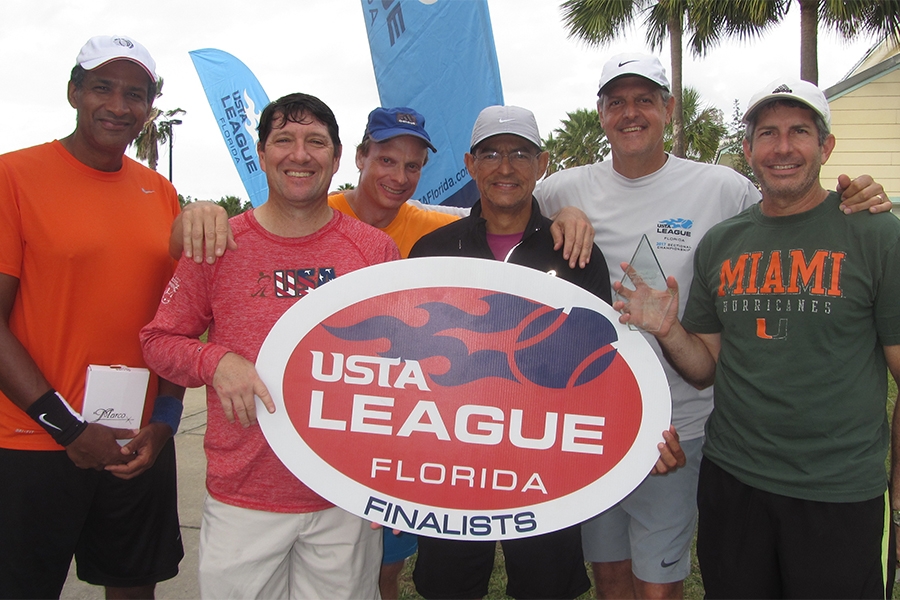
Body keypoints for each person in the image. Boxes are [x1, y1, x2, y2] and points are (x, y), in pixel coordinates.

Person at [534, 53, 892, 600]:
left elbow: (790, 205)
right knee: (610, 575)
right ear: (600, 112)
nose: (630, 113)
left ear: (669, 109)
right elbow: (501, 220)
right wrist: (561, 215)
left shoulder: (724, 189)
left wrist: (861, 195)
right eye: (616, 102)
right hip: (602, 425)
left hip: (689, 429)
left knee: (658, 585)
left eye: (645, 100)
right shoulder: (562, 189)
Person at [407, 105, 684, 600]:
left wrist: (638, 437)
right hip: (451, 457)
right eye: (491, 153)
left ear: (542, 164)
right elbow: (409, 366)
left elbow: (600, 363)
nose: (505, 166)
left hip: (544, 457)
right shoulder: (433, 250)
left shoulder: (574, 253)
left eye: (520, 153)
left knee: (546, 587)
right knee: (449, 587)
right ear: (470, 165)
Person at [140, 93, 399, 598]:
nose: (299, 155)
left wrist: (387, 476)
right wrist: (215, 360)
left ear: (337, 157)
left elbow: (401, 370)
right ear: (261, 154)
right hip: (245, 497)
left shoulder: (373, 250)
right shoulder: (218, 243)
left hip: (343, 496)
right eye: (284, 140)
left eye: (315, 142)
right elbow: (157, 340)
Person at [0, 35, 184, 599]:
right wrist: (69, 429)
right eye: (103, 87)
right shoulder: (13, 176)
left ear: (148, 108)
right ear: (74, 92)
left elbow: (177, 320)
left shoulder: (161, 193)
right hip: (34, 440)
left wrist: (165, 422)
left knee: (134, 588)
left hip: (136, 445)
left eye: (135, 94)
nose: (119, 106)